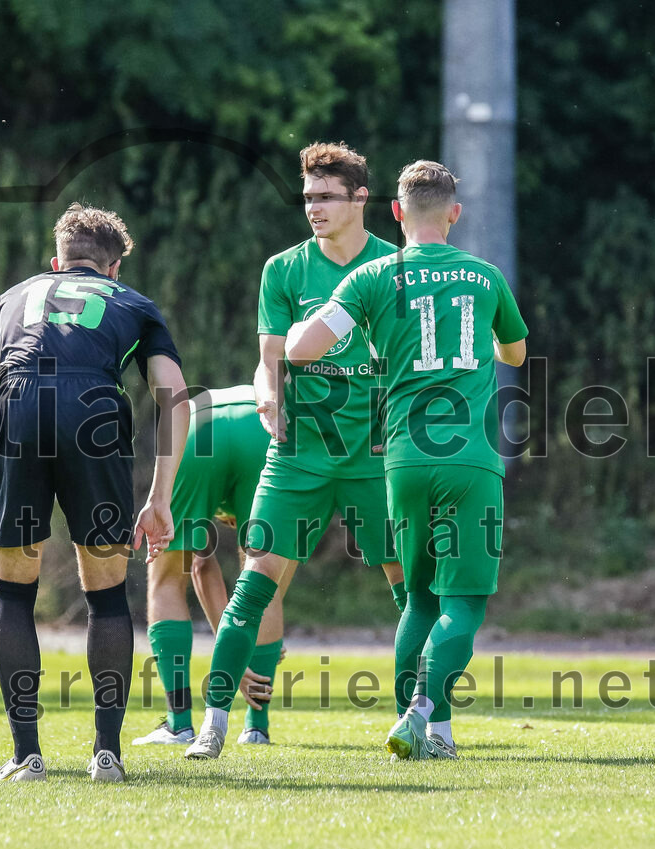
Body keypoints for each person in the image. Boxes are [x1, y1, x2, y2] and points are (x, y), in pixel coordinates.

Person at [285, 160, 528, 759]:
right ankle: (423, 706)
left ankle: (429, 734)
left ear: (395, 212)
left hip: (403, 461)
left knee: (418, 599)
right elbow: (516, 354)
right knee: (464, 601)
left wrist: (327, 338)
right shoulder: (484, 275)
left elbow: (303, 350)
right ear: (455, 213)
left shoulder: (369, 278)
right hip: (470, 460)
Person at [0, 202, 189, 783]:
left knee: (13, 592)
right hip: (94, 414)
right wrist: (159, 497)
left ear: (56, 261)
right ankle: (106, 754)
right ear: (112, 270)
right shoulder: (132, 303)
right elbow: (175, 396)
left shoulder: (12, 298)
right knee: (107, 594)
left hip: (20, 407)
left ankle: (26, 755)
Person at [185, 142, 405, 760]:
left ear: (361, 199)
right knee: (255, 583)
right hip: (299, 451)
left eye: (327, 197)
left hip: (372, 450)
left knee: (406, 582)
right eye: (307, 197)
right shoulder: (284, 269)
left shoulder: (398, 267)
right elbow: (269, 361)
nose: (313, 207)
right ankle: (214, 721)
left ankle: (422, 718)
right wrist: (267, 399)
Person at [132, 385, 287, 747]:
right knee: (265, 580)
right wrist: (237, 651)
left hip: (199, 426)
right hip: (263, 427)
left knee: (167, 577)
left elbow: (200, 567)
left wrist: (232, 647)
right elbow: (210, 572)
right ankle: (256, 728)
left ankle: (179, 723)